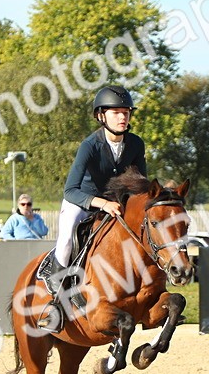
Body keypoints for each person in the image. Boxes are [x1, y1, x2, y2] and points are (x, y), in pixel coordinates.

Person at [35, 85, 147, 332]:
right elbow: (70, 190)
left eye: (126, 112)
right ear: (101, 116)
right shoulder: (89, 145)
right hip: (83, 202)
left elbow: (140, 184)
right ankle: (56, 304)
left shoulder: (136, 144)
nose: (122, 117)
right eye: (116, 112)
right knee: (66, 239)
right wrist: (102, 203)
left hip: (116, 205)